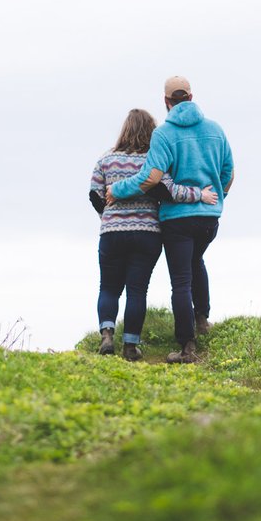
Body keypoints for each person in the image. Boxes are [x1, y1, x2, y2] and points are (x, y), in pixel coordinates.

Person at [106, 76, 233, 363]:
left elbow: (150, 177)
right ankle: (202, 318)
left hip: (177, 219)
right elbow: (229, 173)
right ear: (191, 96)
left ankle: (187, 346)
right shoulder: (215, 130)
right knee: (196, 260)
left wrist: (118, 189)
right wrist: (216, 196)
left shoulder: (164, 134)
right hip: (209, 218)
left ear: (166, 102)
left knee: (181, 281)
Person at [89, 109, 218, 361]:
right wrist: (199, 195)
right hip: (147, 233)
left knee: (109, 287)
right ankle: (130, 345)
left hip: (112, 232)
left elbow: (95, 193)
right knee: (137, 290)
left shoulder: (105, 160)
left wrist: (108, 217)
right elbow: (172, 191)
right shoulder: (154, 160)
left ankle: (107, 334)